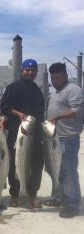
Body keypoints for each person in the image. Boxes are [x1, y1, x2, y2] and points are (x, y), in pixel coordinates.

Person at [0, 59, 45, 208]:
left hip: (35, 134)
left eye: (33, 70)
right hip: (16, 133)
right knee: (15, 164)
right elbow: (4, 106)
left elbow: (41, 114)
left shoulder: (38, 91)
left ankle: (32, 194)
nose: (30, 72)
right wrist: (17, 113)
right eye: (27, 70)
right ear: (22, 71)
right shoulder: (12, 88)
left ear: (36, 72)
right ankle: (14, 194)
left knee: (37, 164)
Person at [46, 62, 83, 218]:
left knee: (68, 172)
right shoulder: (55, 92)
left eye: (58, 77)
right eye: (52, 78)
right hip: (56, 138)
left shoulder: (73, 89)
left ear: (65, 75)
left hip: (68, 138)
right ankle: (60, 197)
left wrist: (56, 117)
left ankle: (73, 203)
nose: (55, 80)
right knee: (58, 170)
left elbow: (78, 109)